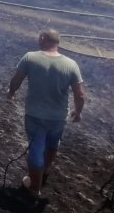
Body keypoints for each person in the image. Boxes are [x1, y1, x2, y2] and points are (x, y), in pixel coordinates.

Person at [7, 29, 85, 198]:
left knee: (36, 149)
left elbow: (17, 79)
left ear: (43, 39)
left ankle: (35, 187)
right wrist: (77, 112)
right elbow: (80, 94)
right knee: (52, 144)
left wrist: (11, 92)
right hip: (58, 117)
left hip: (35, 115)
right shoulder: (71, 64)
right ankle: (45, 170)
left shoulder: (30, 57)